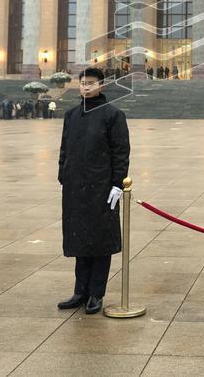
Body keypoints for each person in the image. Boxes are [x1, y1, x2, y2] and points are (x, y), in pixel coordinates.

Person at [57, 67, 131, 314]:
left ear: (101, 85)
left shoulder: (112, 115)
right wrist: (63, 176)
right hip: (76, 188)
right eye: (82, 83)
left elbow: (121, 152)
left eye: (90, 83)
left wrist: (117, 184)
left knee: (99, 242)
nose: (85, 87)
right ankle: (80, 291)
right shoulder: (71, 115)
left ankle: (96, 294)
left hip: (101, 189)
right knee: (79, 240)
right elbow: (64, 149)